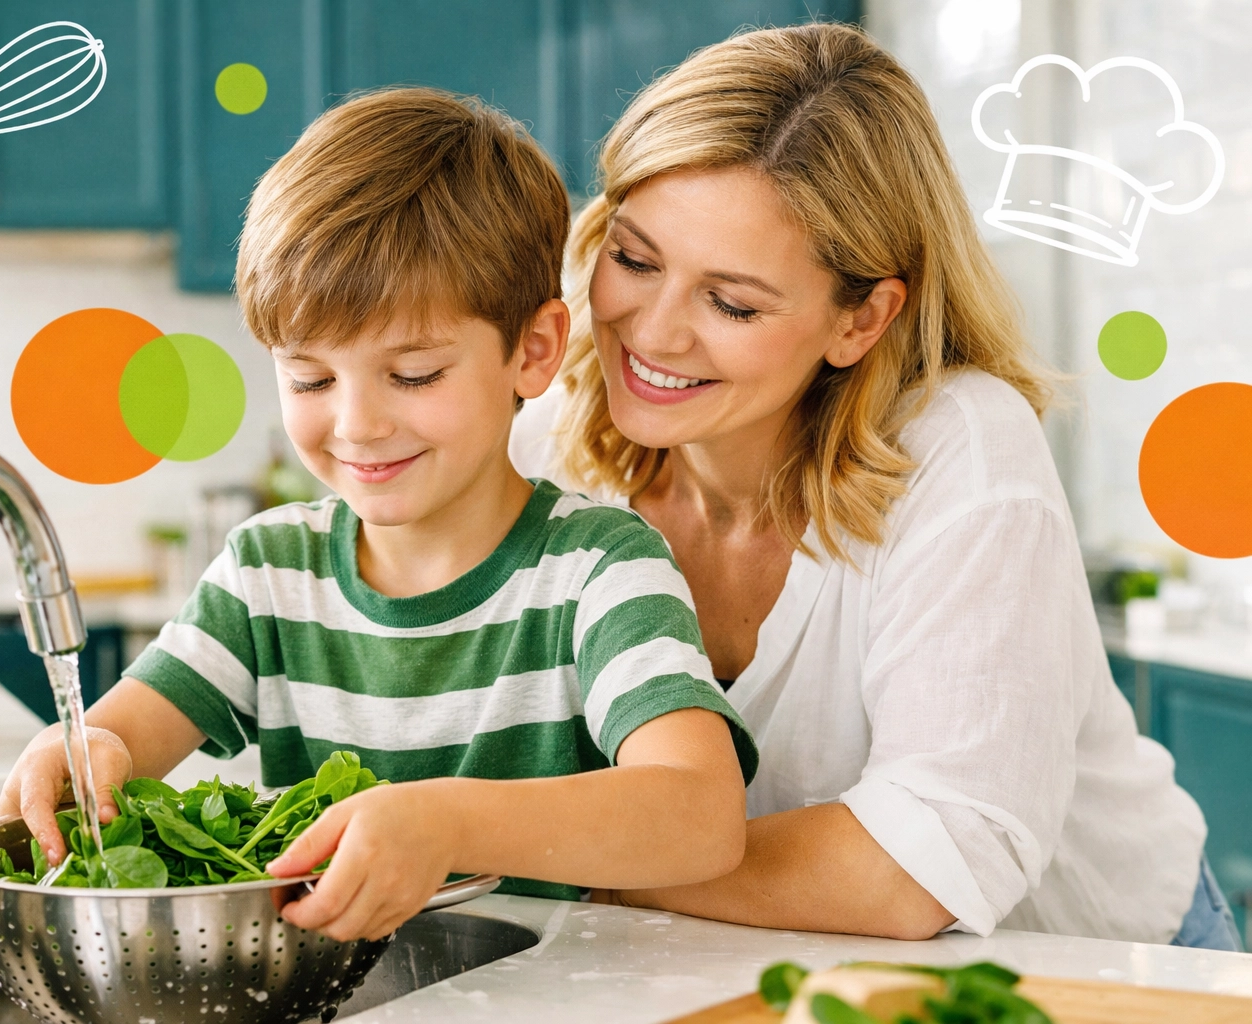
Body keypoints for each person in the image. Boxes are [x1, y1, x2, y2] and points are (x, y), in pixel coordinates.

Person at [511, 23, 1238, 950]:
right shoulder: (552, 445)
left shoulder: (960, 453)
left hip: (1103, 966)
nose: (652, 332)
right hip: (785, 954)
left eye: (730, 303)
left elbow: (911, 870)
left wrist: (581, 871)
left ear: (861, 319)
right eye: (636, 259)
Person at [1, 88, 756, 943]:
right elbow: (125, 730)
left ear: (535, 350)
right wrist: (88, 749)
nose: (356, 424)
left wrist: (446, 825)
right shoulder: (266, 573)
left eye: (414, 375)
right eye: (311, 378)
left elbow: (701, 815)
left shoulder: (601, 568)